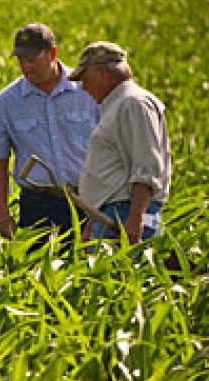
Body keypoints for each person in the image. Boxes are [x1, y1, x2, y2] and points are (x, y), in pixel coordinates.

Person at [0, 23, 100, 238]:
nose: (26, 67)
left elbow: (112, 151)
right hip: (38, 207)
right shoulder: (5, 103)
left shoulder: (89, 91)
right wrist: (2, 216)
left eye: (32, 60)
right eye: (21, 60)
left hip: (90, 202)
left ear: (52, 53)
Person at [68, 42, 171, 243]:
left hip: (124, 214)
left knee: (121, 273)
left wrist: (136, 217)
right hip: (111, 214)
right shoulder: (117, 104)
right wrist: (92, 222)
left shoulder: (133, 103)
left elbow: (146, 165)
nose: (83, 86)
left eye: (84, 78)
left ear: (101, 72)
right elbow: (113, 173)